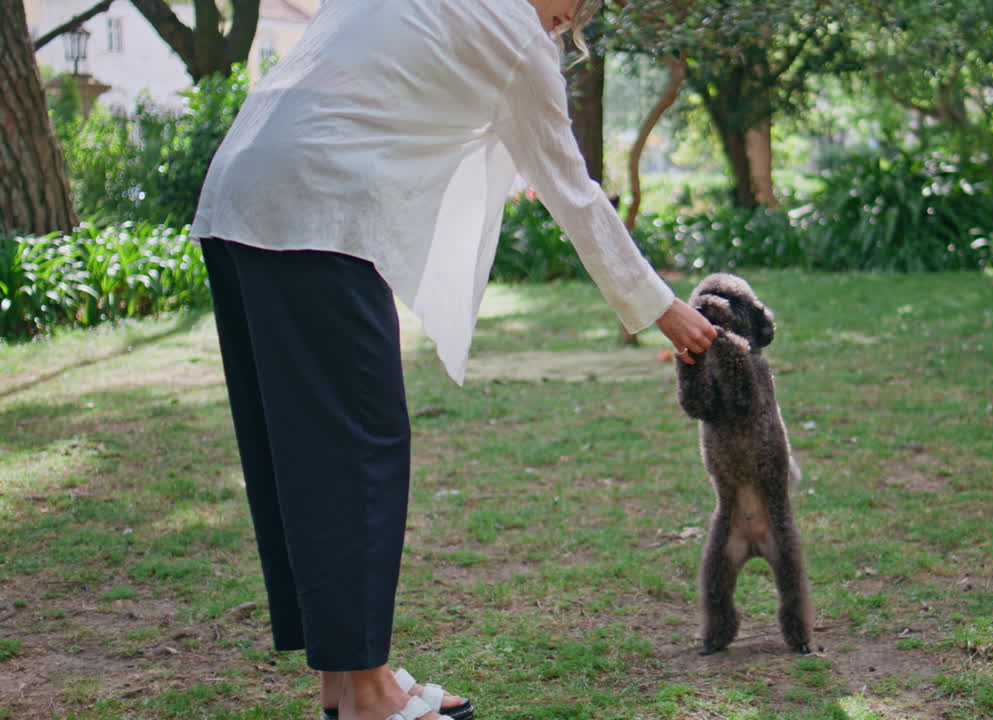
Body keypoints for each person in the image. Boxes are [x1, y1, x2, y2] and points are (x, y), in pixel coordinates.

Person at [189, 0, 716, 718]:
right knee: (361, 445)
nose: (567, 30)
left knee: (298, 448)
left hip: (241, 192)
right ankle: (368, 688)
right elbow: (575, 193)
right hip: (318, 208)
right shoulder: (514, 40)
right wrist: (663, 306)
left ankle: (344, 683)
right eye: (571, 17)